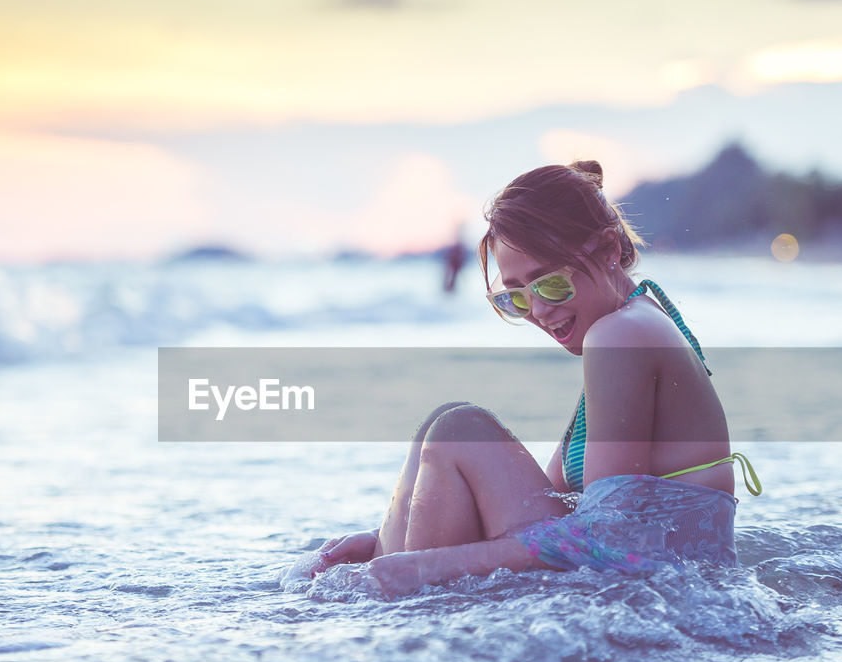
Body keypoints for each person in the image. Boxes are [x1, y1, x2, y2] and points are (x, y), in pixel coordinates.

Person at [309, 161, 760, 597]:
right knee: (444, 423)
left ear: (606, 250)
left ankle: (403, 609)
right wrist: (386, 538)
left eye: (551, 284)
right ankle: (388, 575)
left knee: (460, 430)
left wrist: (431, 565)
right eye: (517, 298)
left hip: (668, 586)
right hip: (653, 571)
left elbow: (607, 536)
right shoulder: (630, 324)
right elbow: (560, 502)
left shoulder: (620, 336)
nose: (539, 311)